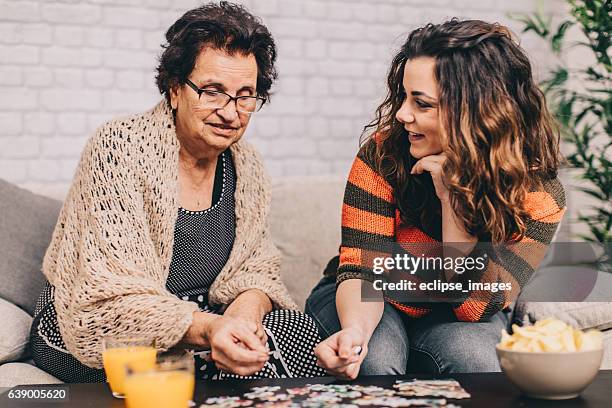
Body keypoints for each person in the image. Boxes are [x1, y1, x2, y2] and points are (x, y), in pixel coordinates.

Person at [30, 1, 325, 383]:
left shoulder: (247, 164)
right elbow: (110, 296)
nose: (230, 112)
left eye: (245, 95)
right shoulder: (117, 148)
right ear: (174, 88)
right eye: (212, 91)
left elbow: (257, 270)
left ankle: (220, 367)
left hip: (203, 321)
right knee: (160, 362)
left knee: (299, 331)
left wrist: (243, 316)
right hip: (100, 325)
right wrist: (210, 330)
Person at [306, 19, 566, 379]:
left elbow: (476, 308)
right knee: (374, 357)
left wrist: (452, 198)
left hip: (455, 310)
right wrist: (355, 333)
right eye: (404, 96)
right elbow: (362, 268)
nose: (401, 114)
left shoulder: (538, 195)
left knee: (475, 360)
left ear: (478, 113)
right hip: (369, 298)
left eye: (422, 103)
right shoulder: (383, 156)